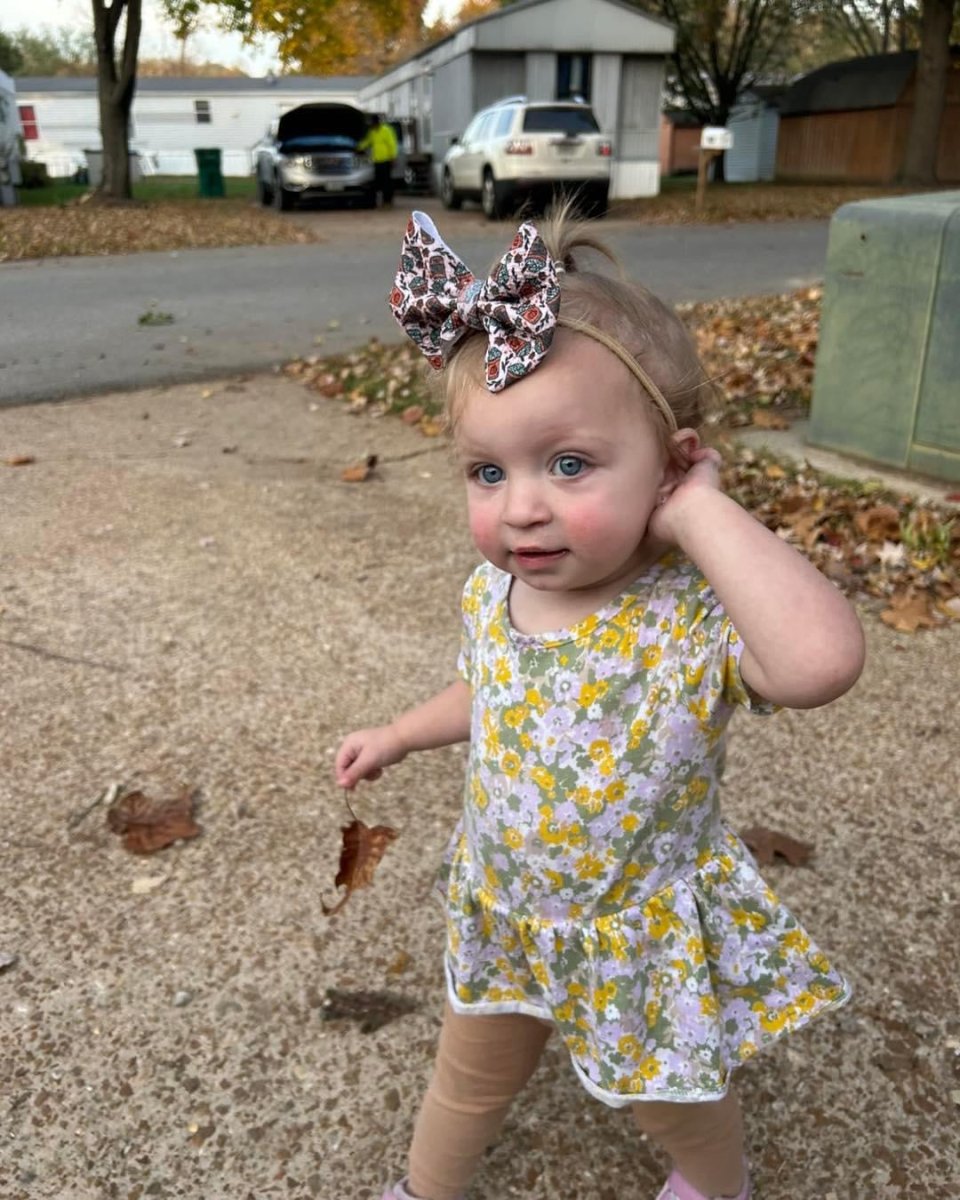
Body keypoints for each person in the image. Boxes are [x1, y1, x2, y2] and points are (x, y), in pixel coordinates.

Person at [335, 208, 865, 1200]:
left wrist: (701, 508)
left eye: (568, 464)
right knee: (466, 1081)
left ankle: (717, 1182)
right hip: (507, 910)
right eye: (488, 472)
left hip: (637, 934)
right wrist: (402, 733)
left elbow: (821, 663)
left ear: (670, 464)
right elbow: (492, 695)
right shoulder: (494, 596)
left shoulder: (691, 618)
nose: (521, 506)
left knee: (675, 1100)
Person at [359, 112, 398, 207]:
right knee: (378, 182)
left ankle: (388, 201)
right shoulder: (372, 132)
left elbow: (392, 144)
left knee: (387, 182)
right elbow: (367, 142)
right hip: (377, 161)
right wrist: (359, 147)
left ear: (377, 122)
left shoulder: (386, 130)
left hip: (386, 160)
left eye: (372, 123)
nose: (371, 125)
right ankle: (381, 201)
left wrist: (393, 157)